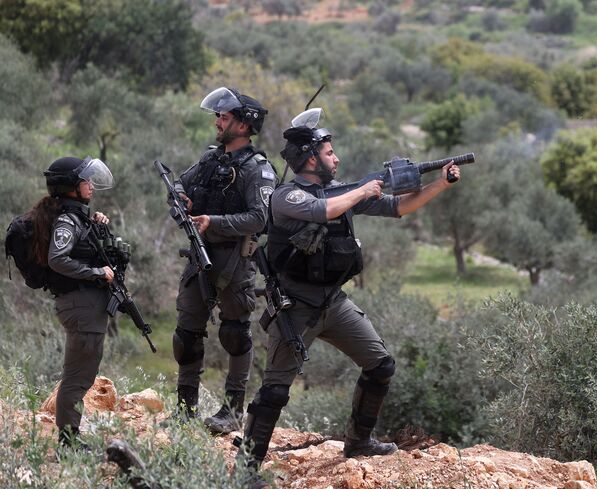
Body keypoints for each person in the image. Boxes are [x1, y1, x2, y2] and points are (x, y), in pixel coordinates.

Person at [234, 121, 461, 487]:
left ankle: (358, 442)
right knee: (274, 391)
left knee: (381, 366)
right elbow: (321, 211)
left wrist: (440, 183)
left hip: (333, 303)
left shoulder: (341, 192)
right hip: (296, 308)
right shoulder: (286, 197)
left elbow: (399, 206)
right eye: (328, 153)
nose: (336, 159)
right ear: (309, 159)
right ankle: (244, 472)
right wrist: (360, 192)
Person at [170, 87, 276, 434]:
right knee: (186, 335)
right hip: (198, 260)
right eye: (217, 116)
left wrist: (214, 222)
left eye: (224, 117)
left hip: (235, 263)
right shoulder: (208, 160)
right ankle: (185, 410)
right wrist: (181, 204)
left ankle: (231, 411)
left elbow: (260, 218)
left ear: (244, 125)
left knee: (234, 334)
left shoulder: (257, 170)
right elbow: (179, 190)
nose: (218, 122)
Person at [33, 156, 115, 451]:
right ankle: (69, 443)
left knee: (83, 373)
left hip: (86, 305)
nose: (91, 185)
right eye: (85, 181)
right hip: (80, 305)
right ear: (70, 187)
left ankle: (71, 437)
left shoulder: (77, 216)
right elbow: (58, 258)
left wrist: (96, 225)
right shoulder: (68, 220)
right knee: (78, 377)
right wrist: (96, 273)